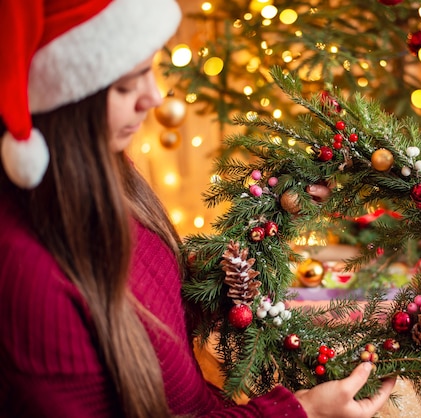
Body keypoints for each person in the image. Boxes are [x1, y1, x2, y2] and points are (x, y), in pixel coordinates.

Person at [0, 0, 396, 417]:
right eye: (124, 85)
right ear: (65, 94)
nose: (153, 97)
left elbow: (165, 308)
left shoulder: (105, 172)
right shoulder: (28, 279)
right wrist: (304, 413)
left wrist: (270, 223)